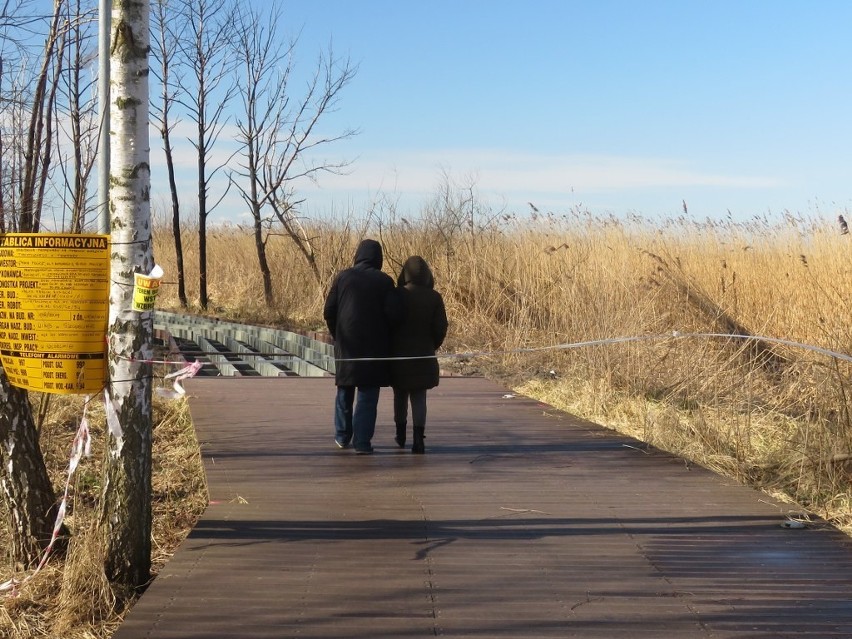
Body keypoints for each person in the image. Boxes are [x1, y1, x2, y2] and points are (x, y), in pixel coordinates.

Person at [323, 239, 398, 454]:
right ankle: (362, 442)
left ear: (358, 255)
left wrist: (337, 335)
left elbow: (329, 310)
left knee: (344, 391)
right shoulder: (385, 281)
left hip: (346, 344)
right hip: (374, 347)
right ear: (378, 258)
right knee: (368, 395)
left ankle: (342, 436)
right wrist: (387, 336)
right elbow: (394, 314)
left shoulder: (343, 277)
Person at [389, 256, 448, 454]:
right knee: (419, 396)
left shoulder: (397, 294)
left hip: (399, 355)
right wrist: (432, 345)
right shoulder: (434, 297)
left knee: (400, 394)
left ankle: (400, 434)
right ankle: (418, 439)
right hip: (424, 354)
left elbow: (388, 323)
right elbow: (441, 327)